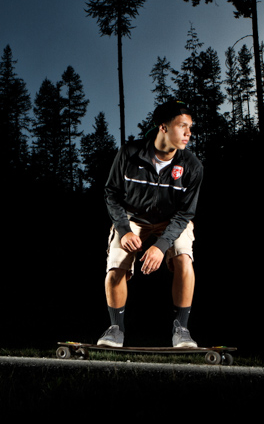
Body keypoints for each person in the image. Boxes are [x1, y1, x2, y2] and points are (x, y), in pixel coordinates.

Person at [97, 100, 203, 348]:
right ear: (163, 127)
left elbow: (186, 213)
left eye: (191, 127)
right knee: (115, 266)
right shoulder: (129, 153)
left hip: (172, 221)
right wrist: (123, 231)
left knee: (184, 258)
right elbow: (111, 193)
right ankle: (115, 329)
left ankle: (182, 329)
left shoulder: (192, 166)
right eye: (183, 126)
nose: (189, 133)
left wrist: (162, 244)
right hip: (133, 219)